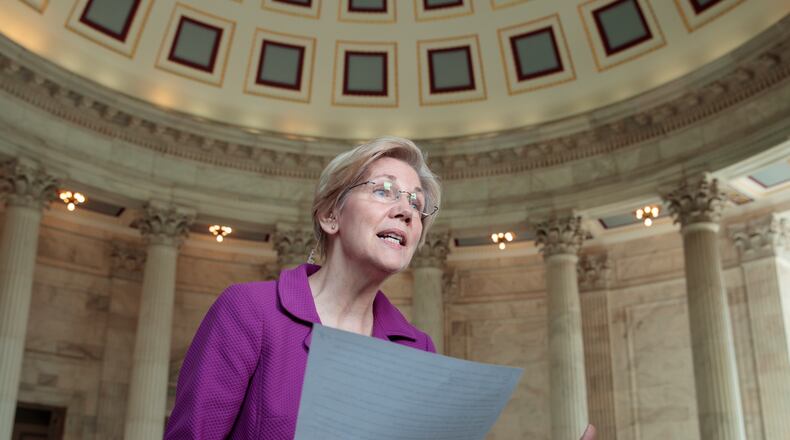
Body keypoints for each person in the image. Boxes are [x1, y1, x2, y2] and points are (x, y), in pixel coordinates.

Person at [164, 136, 596, 439]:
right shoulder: (249, 311)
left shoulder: (418, 349)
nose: (407, 211)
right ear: (330, 215)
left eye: (417, 203)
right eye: (385, 191)